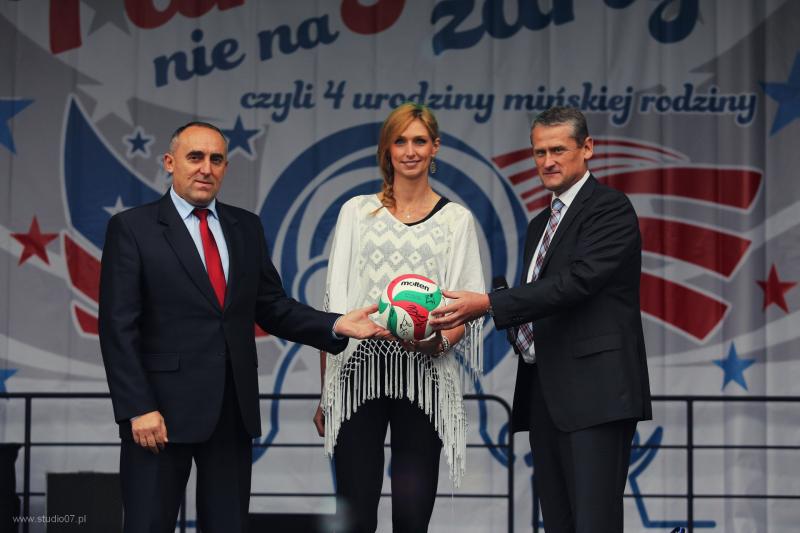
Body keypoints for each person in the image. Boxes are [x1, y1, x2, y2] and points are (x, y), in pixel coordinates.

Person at [98, 122, 386, 533]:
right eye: (195, 157)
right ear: (170, 163)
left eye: (216, 159)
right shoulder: (132, 228)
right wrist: (137, 407)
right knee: (148, 525)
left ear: (225, 167)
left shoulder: (245, 227)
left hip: (231, 412)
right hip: (157, 415)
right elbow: (118, 327)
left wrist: (336, 324)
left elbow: (272, 307)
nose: (206, 168)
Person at [429, 106, 652, 533]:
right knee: (557, 523)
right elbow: (543, 302)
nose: (547, 161)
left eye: (558, 150)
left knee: (595, 524)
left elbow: (577, 283)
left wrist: (490, 304)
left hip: (597, 396)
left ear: (588, 148)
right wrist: (512, 323)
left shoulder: (610, 208)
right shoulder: (539, 224)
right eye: (539, 152)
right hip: (546, 395)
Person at [313, 103, 485, 533]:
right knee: (355, 515)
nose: (410, 151)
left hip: (424, 377)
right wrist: (326, 390)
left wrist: (434, 342)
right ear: (387, 149)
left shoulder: (457, 221)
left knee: (412, 517)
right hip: (358, 373)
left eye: (420, 141)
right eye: (400, 141)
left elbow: (465, 310)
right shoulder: (356, 212)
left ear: (435, 147)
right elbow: (334, 307)